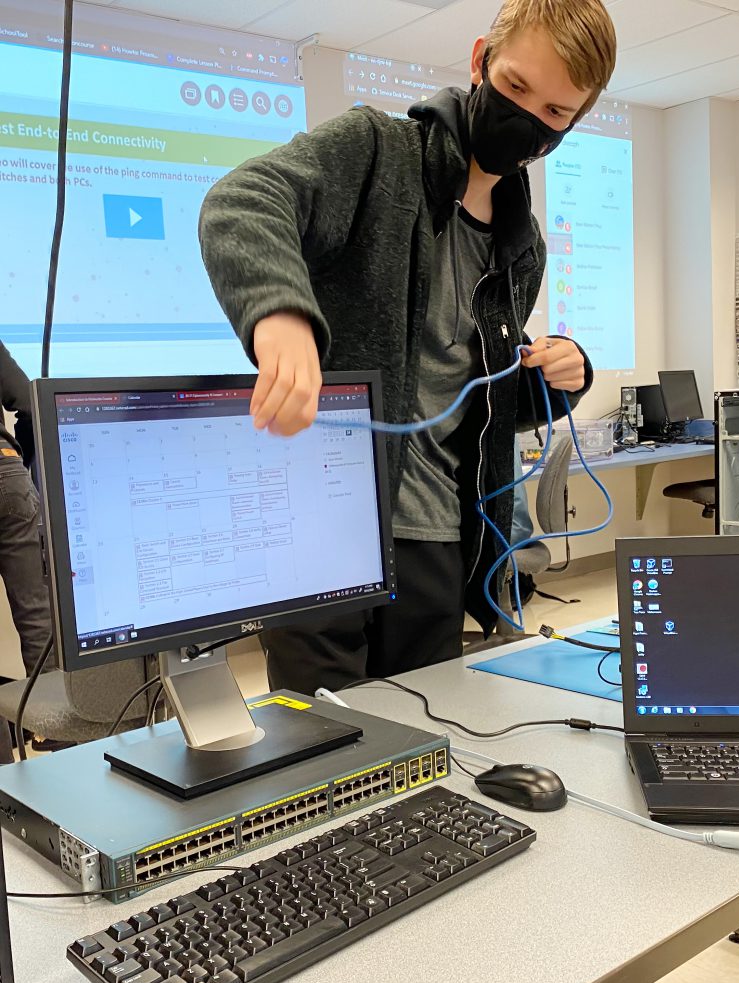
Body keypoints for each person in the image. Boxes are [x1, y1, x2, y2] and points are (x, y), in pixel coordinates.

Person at [199, 0, 618, 694]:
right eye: (513, 88)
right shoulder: (375, 153)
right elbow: (242, 200)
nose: (527, 119)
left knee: (418, 743)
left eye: (553, 114)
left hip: (437, 538)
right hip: (324, 526)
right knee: (320, 748)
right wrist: (280, 317)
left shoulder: (521, 246)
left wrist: (557, 382)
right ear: (480, 58)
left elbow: (471, 406)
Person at [0, 341, 52, 681]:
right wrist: (25, 463)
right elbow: (30, 402)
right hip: (8, 475)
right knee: (37, 619)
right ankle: (58, 731)